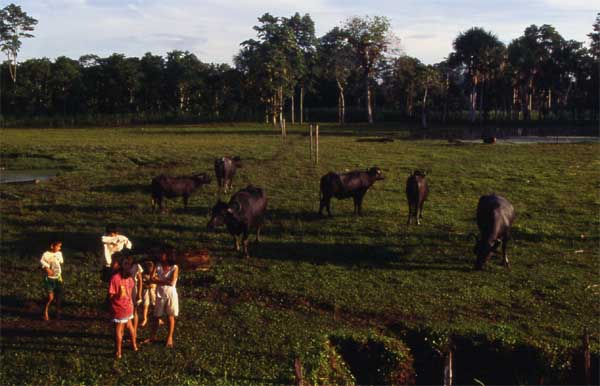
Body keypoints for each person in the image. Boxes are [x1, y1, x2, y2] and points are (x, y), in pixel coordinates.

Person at [144, 247, 179, 348]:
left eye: (162, 254)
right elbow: (151, 278)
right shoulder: (157, 265)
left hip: (171, 295)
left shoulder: (175, 267)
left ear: (167, 255)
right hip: (159, 293)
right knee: (156, 316)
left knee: (170, 316)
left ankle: (169, 338)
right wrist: (165, 281)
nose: (160, 255)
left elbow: (172, 282)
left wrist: (158, 280)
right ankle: (152, 337)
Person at [108, 252, 138, 359]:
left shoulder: (115, 278)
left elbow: (111, 295)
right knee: (129, 325)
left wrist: (116, 298)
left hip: (119, 308)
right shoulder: (130, 278)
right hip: (129, 306)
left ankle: (118, 352)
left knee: (119, 329)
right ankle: (134, 345)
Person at [40, 240, 64, 321]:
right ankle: (45, 310)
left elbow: (60, 263)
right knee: (50, 297)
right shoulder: (46, 254)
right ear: (52, 246)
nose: (59, 248)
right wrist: (47, 268)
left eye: (60, 246)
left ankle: (57, 312)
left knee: (59, 296)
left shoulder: (59, 254)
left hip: (58, 278)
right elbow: (42, 264)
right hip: (49, 279)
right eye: (58, 246)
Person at [126, 255, 144, 333]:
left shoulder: (137, 266)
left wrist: (139, 293)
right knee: (127, 310)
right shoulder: (124, 264)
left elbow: (140, 281)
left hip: (134, 289)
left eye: (130, 258)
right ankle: (128, 329)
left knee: (134, 310)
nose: (129, 259)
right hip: (125, 288)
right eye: (127, 258)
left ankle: (134, 331)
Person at [140, 259, 157, 328]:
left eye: (151, 267)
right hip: (146, 291)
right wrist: (145, 285)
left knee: (154, 304)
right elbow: (141, 283)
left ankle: (157, 318)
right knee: (145, 305)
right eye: (147, 267)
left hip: (153, 291)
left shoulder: (155, 275)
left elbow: (156, 281)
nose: (149, 269)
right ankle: (145, 319)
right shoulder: (143, 275)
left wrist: (153, 284)